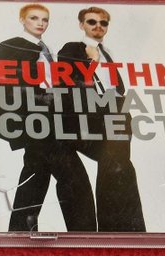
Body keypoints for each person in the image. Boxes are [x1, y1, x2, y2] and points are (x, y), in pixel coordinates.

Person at [0, 4, 97, 232]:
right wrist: (42, 99)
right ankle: (83, 233)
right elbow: (4, 87)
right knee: (73, 178)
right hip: (37, 121)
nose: (40, 23)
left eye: (45, 19)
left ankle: (19, 231)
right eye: (34, 18)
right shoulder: (12, 47)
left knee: (35, 176)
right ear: (22, 20)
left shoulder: (46, 49)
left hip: (50, 121)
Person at [58, 6, 146, 231]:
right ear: (82, 25)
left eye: (103, 23)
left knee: (121, 167)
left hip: (117, 111)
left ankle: (129, 230)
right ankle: (115, 230)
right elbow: (69, 80)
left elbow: (116, 86)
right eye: (92, 22)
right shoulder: (72, 48)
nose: (98, 26)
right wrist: (92, 62)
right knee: (114, 165)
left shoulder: (108, 52)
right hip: (92, 113)